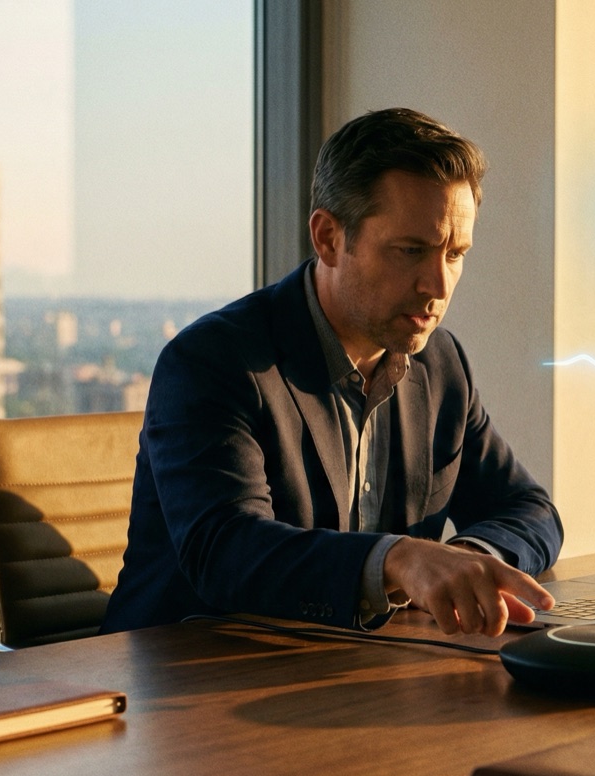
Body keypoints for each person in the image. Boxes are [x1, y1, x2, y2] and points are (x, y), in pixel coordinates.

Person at [101, 108, 562, 638]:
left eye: (455, 254)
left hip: (356, 670)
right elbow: (225, 552)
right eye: (411, 250)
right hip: (188, 680)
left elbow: (531, 511)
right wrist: (397, 561)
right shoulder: (214, 361)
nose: (438, 284)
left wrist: (462, 562)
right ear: (327, 238)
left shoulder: (441, 365)